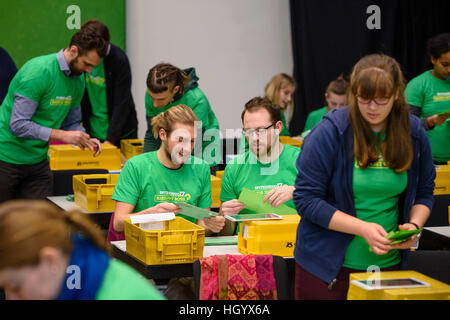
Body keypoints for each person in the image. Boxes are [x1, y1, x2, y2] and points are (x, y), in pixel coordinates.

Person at [293, 54, 435, 300]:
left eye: (382, 100)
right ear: (354, 94)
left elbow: (424, 192)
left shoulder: (412, 132)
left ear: (396, 95)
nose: (372, 108)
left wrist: (413, 227)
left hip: (388, 268)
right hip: (327, 271)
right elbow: (306, 200)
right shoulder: (330, 133)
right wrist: (362, 228)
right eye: (364, 99)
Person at [0, 26, 104, 203]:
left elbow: (71, 122)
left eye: (93, 66)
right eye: (87, 64)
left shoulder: (78, 80)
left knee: (41, 224)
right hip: (6, 158)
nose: (89, 71)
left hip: (38, 162)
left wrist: (84, 138)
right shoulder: (38, 72)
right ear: (73, 50)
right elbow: (18, 125)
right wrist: (63, 135)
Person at [0, 200, 165, 300]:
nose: (12, 297)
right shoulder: (77, 272)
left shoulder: (120, 294)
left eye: (15, 287)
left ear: (50, 260)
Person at [108, 104, 225, 242]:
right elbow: (119, 223)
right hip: (144, 248)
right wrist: (151, 214)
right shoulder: (136, 166)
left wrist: (213, 224)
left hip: (184, 248)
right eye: (180, 140)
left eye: (192, 141)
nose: (186, 148)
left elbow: (201, 225)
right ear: (163, 135)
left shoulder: (201, 169)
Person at [219, 97, 301, 235]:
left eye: (261, 130)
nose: (255, 138)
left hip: (292, 244)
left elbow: (327, 206)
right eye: (249, 132)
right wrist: (224, 216)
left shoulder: (302, 160)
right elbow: (226, 234)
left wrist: (297, 191)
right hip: (249, 248)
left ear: (278, 128)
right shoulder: (234, 168)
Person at [143, 63, 221, 168]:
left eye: (161, 99)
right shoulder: (151, 95)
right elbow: (152, 135)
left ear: (175, 89)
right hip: (173, 149)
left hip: (202, 148)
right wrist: (146, 165)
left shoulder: (197, 100)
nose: (155, 104)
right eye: (152, 97)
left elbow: (194, 143)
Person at [79, 19, 138, 147]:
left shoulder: (119, 60)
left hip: (120, 132)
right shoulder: (81, 58)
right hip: (93, 132)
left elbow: (122, 103)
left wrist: (110, 140)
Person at [406, 33, 450, 164]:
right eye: (445, 64)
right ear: (433, 59)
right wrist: (429, 122)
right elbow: (405, 124)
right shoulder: (418, 85)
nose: (449, 69)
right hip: (428, 161)